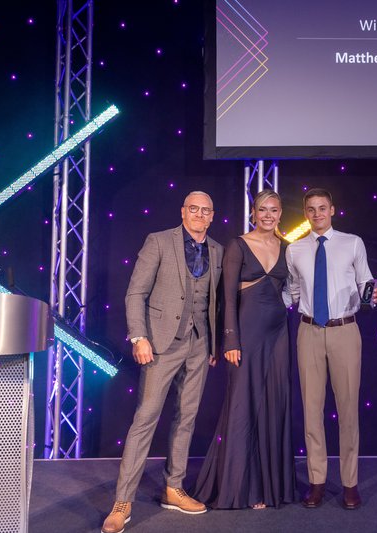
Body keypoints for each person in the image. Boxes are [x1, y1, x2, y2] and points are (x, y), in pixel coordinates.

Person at [101, 191, 223, 533]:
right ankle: (122, 502)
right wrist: (139, 336)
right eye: (193, 209)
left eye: (206, 210)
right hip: (160, 344)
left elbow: (216, 301)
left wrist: (215, 342)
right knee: (145, 418)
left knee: (187, 418)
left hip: (200, 344)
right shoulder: (158, 241)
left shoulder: (218, 250)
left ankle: (174, 488)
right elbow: (135, 292)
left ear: (212, 216)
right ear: (183, 212)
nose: (199, 214)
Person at [194, 189, 296, 509]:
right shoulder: (238, 245)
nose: (268, 215)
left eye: (274, 210)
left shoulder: (287, 248)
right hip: (246, 333)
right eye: (262, 210)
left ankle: (271, 488)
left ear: (280, 214)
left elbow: (294, 291)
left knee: (275, 402)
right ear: (254, 213)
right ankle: (244, 489)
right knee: (243, 405)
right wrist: (230, 340)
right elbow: (226, 297)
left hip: (279, 332)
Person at [285, 188, 377, 510]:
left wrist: (371, 297)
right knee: (311, 411)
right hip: (309, 332)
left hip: (345, 331)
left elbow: (366, 283)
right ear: (305, 214)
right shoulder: (295, 249)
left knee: (348, 410)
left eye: (322, 208)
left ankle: (350, 483)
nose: (317, 214)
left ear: (332, 210)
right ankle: (317, 482)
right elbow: (292, 293)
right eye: (311, 209)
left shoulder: (352, 243)